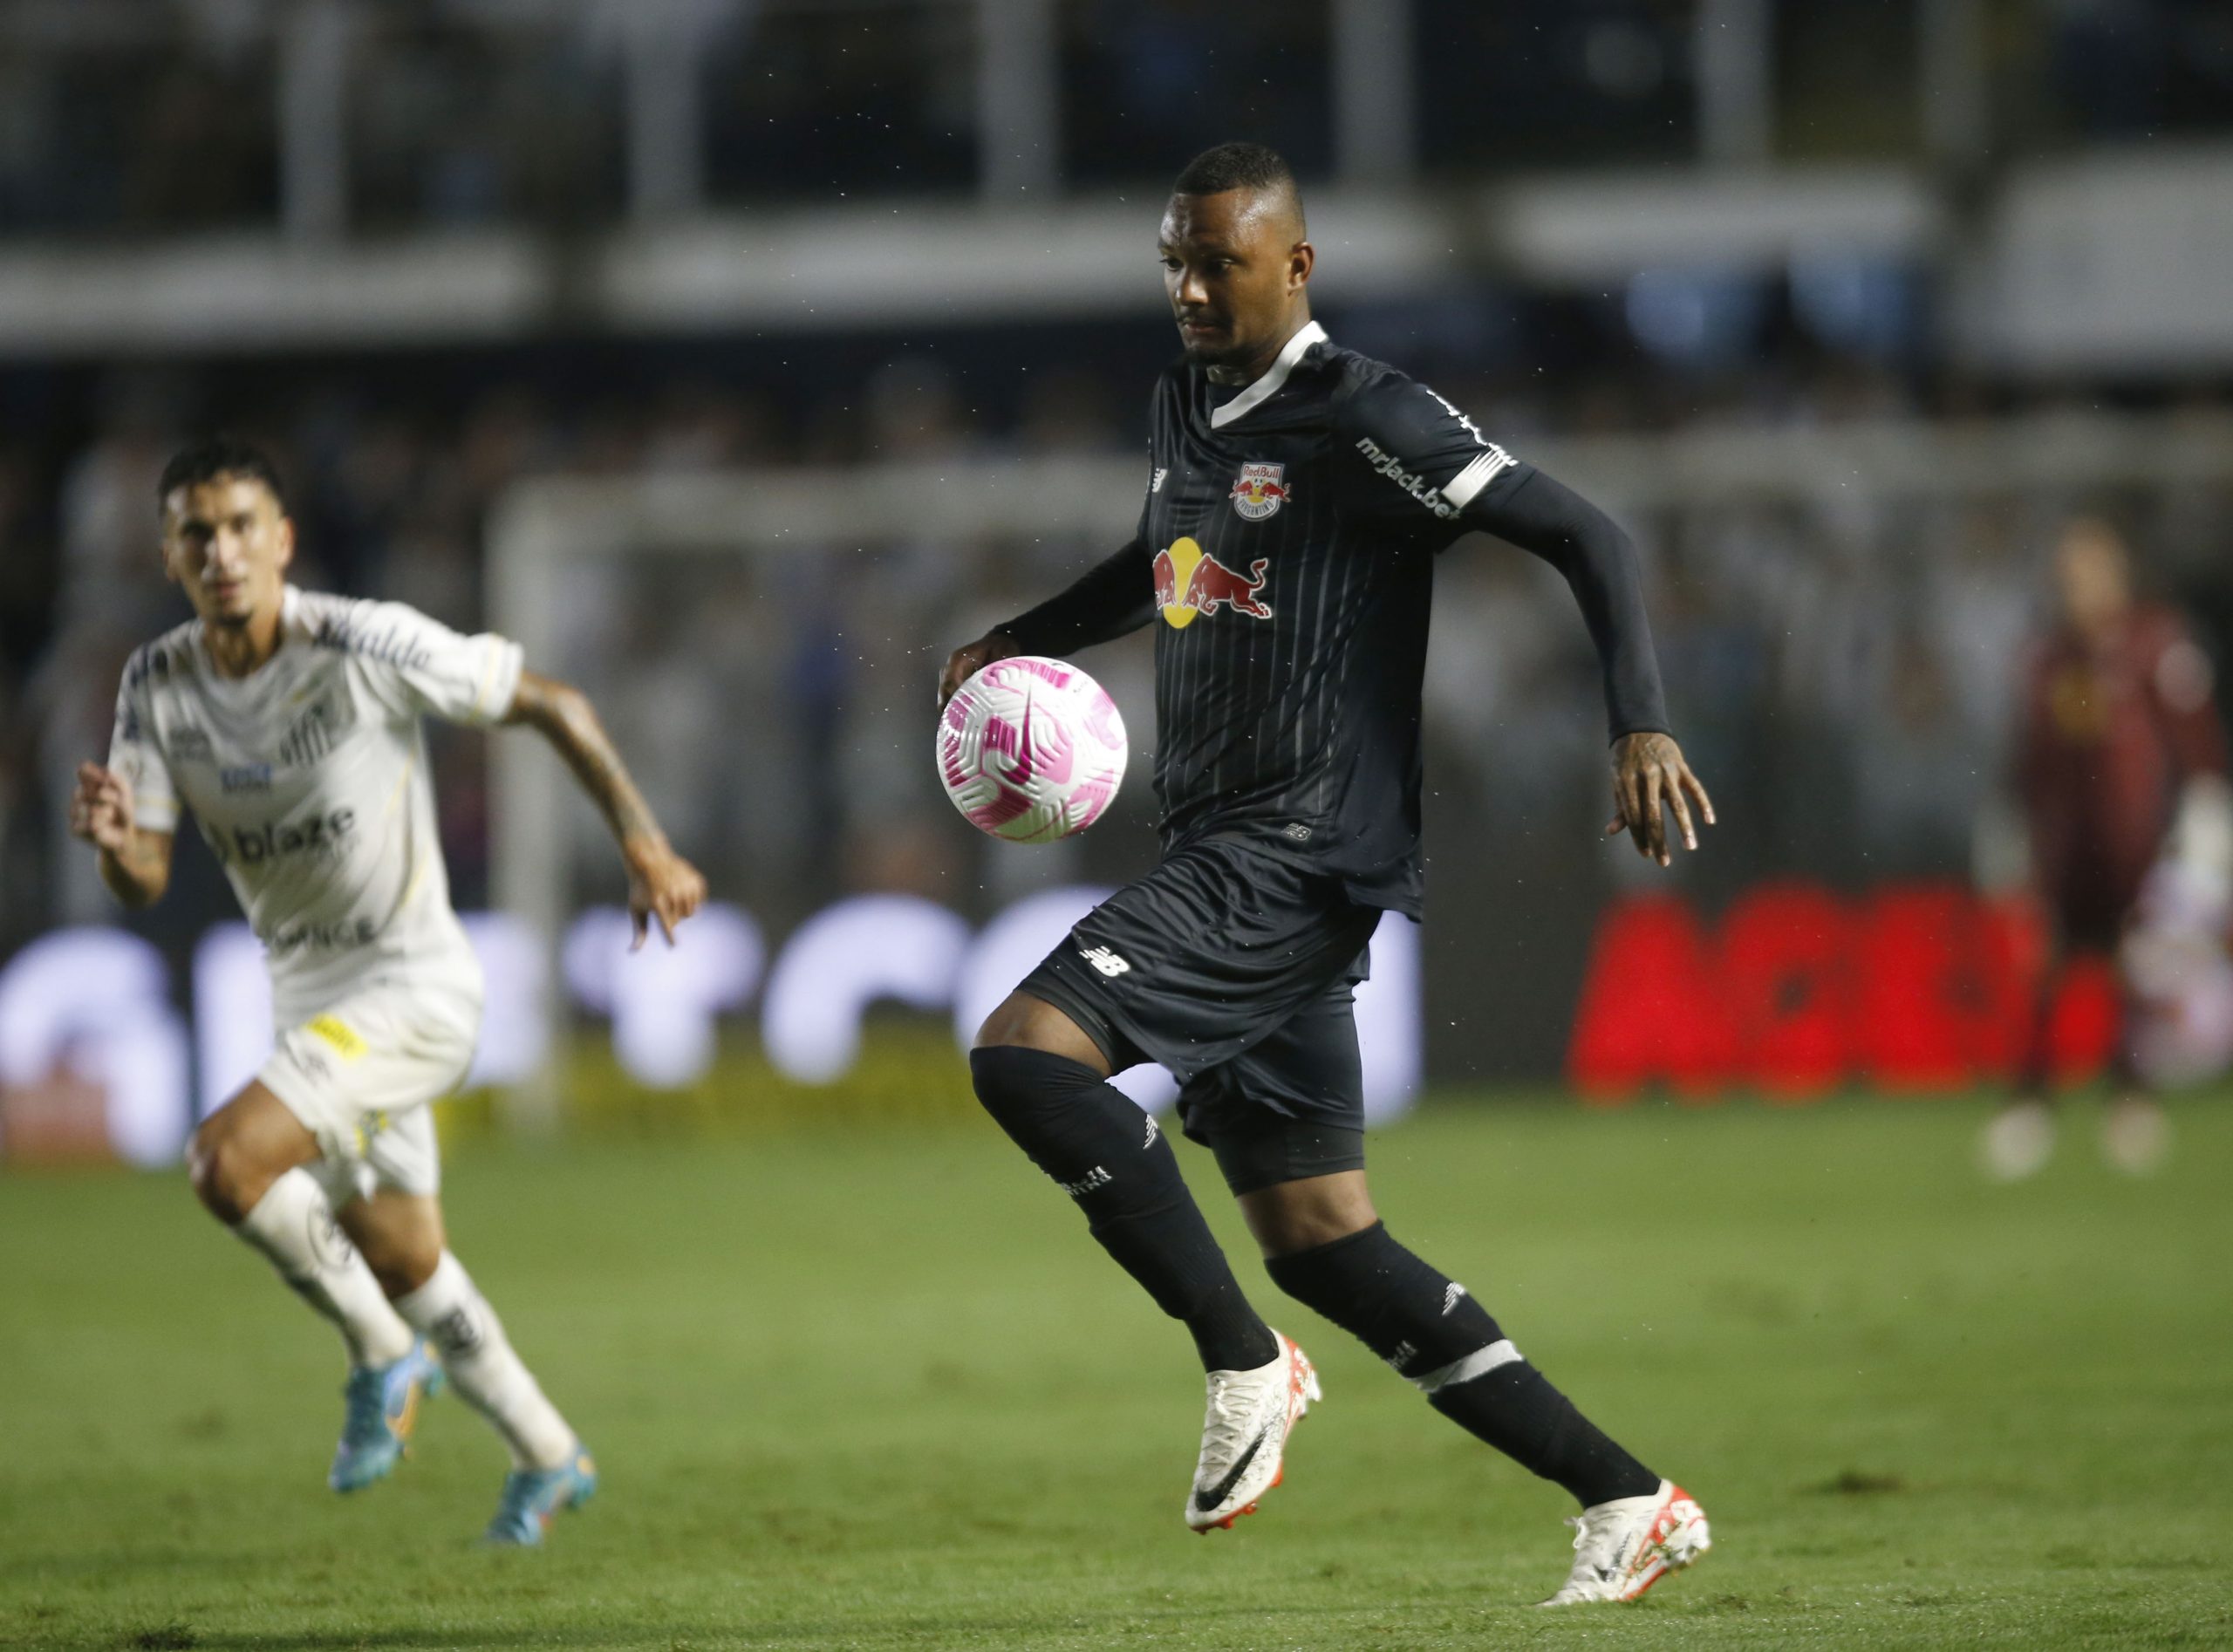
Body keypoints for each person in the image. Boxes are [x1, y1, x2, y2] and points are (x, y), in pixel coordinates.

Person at [937, 143, 1716, 1607]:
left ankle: (1242, 1362)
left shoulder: (1368, 414)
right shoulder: (1185, 398)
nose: (1186, 286)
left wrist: (1641, 719)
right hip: (1223, 840)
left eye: (1216, 260)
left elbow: (1585, 530)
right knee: (1321, 1236)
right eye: (1171, 259)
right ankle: (1629, 1495)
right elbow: (1164, 560)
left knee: (1025, 1053)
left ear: (1293, 265)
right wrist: (1020, 634)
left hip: (1295, 852)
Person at [72, 437, 707, 1544]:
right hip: (306, 996)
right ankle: (550, 1453)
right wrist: (117, 846)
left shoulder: (363, 641)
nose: (221, 551)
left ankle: (379, 1354)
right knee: (403, 1252)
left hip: (415, 987)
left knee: (225, 1162)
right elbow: (145, 882)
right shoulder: (156, 686)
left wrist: (644, 845)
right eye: (195, 532)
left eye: (239, 526)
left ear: (282, 541)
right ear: (168, 552)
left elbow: (549, 700)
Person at [1980, 516, 2230, 1180]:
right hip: (2066, 847)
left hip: (2141, 844)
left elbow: (2195, 741)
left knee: (2139, 967)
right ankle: (2032, 1098)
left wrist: (2204, 831)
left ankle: (2131, 1097)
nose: (2076, 588)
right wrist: (2010, 837)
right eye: (2067, 576)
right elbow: (2027, 762)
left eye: (2087, 572)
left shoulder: (2157, 644)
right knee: (2045, 967)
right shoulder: (2047, 659)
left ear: (2117, 576)